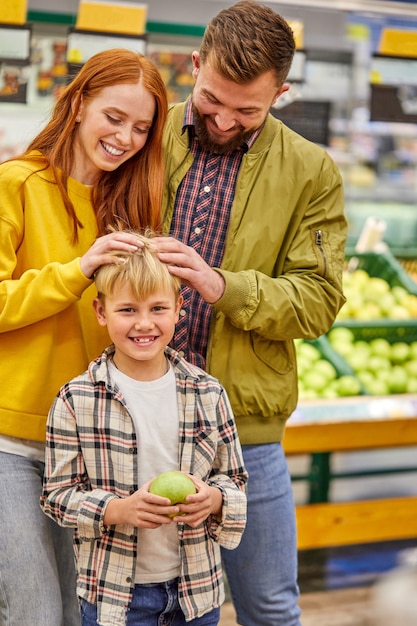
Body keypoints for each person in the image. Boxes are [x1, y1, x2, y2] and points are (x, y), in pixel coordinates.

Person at [155, 2, 347, 624]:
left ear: (282, 93)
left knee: (267, 604)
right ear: (194, 66)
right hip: (130, 415)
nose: (226, 119)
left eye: (249, 110)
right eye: (213, 98)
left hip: (243, 428)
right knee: (138, 602)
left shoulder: (311, 171)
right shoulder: (145, 134)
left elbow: (318, 301)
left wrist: (221, 285)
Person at [0, 49, 168, 625]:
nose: (125, 137)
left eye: (141, 128)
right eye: (113, 117)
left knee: (83, 615)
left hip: (89, 451)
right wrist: (77, 271)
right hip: (9, 443)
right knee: (35, 613)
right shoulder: (16, 184)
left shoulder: (127, 208)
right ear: (77, 104)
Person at [40, 231, 248, 626]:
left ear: (178, 309)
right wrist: (120, 510)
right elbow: (56, 497)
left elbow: (235, 479)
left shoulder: (207, 391)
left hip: (196, 591)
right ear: (101, 312)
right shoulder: (76, 399)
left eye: (157, 308)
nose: (144, 324)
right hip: (116, 597)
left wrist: (214, 500)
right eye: (127, 310)